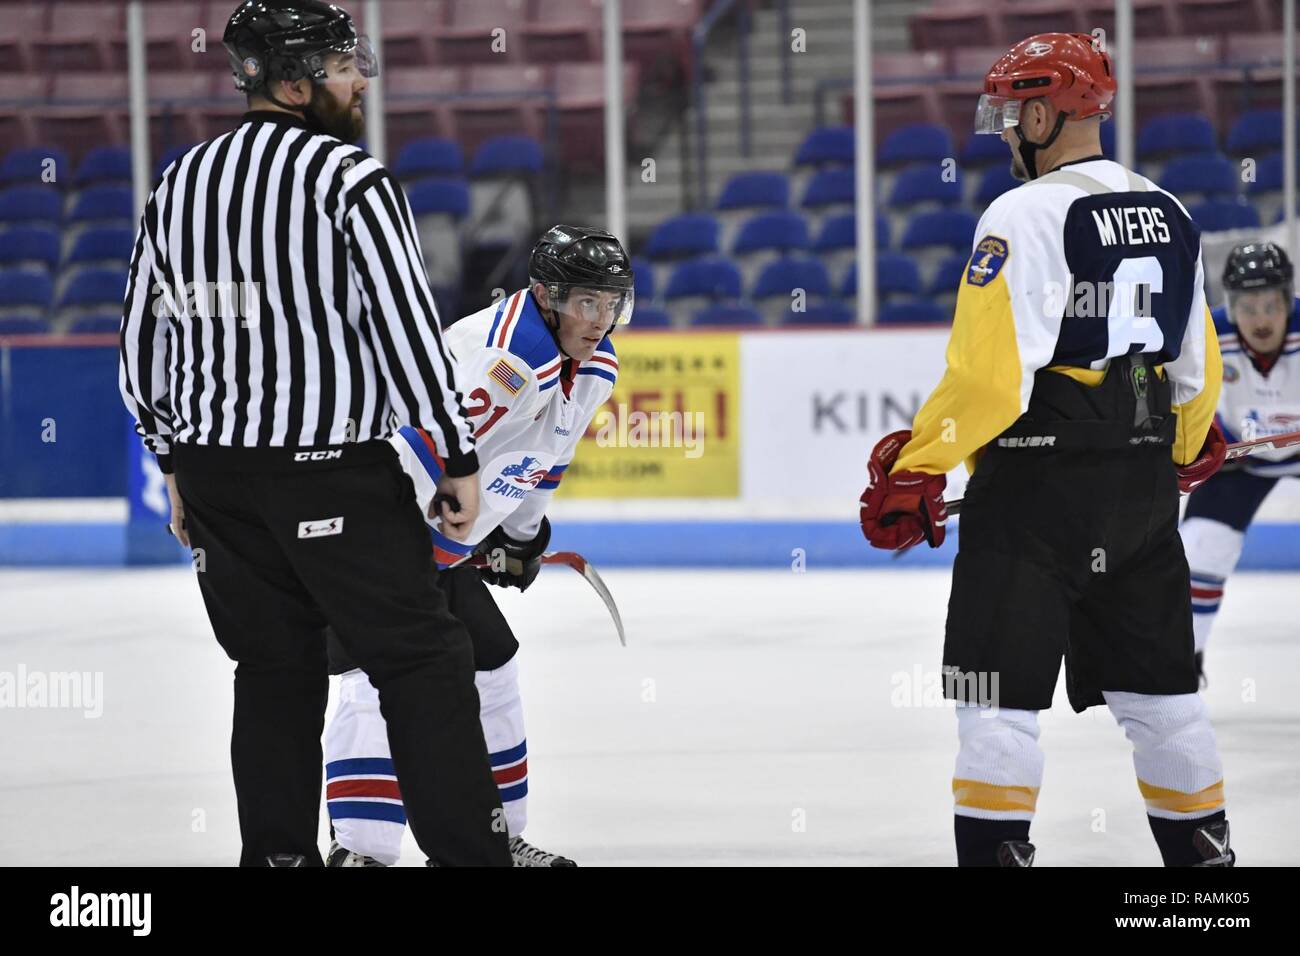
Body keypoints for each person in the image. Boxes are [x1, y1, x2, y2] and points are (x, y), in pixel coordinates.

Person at [119, 0, 510, 866]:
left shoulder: (178, 182)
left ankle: (278, 861)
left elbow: (142, 341)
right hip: (329, 472)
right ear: (293, 82)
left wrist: (171, 462)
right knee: (422, 660)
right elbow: (406, 329)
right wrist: (455, 452)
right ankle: (474, 857)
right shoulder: (349, 179)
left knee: (271, 672)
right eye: (343, 65)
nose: (361, 78)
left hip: (220, 479)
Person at [859, 33, 1234, 866]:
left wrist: (920, 465)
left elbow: (990, 379)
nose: (1002, 135)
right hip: (1140, 500)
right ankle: (1207, 889)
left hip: (1034, 500)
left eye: (1008, 115)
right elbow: (1196, 369)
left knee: (994, 704)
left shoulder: (1023, 214)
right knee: (1166, 702)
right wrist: (1176, 447)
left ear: (1041, 111)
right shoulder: (1169, 210)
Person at [323, 226, 631, 867]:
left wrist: (521, 536)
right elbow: (416, 452)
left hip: (438, 542)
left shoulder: (592, 364)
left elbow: (547, 458)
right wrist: (372, 549)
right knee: (372, 672)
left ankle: (498, 838)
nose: (600, 320)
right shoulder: (509, 362)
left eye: (611, 303)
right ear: (547, 297)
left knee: (493, 663)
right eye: (586, 303)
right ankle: (360, 851)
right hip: (386, 531)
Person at [1180, 241, 1300, 682]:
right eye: (1248, 306)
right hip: (1239, 458)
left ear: (1288, 298)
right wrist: (1205, 439)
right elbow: (1181, 397)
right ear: (1231, 304)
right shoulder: (1207, 334)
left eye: (1271, 304)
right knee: (1198, 552)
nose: (1261, 318)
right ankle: (1185, 661)